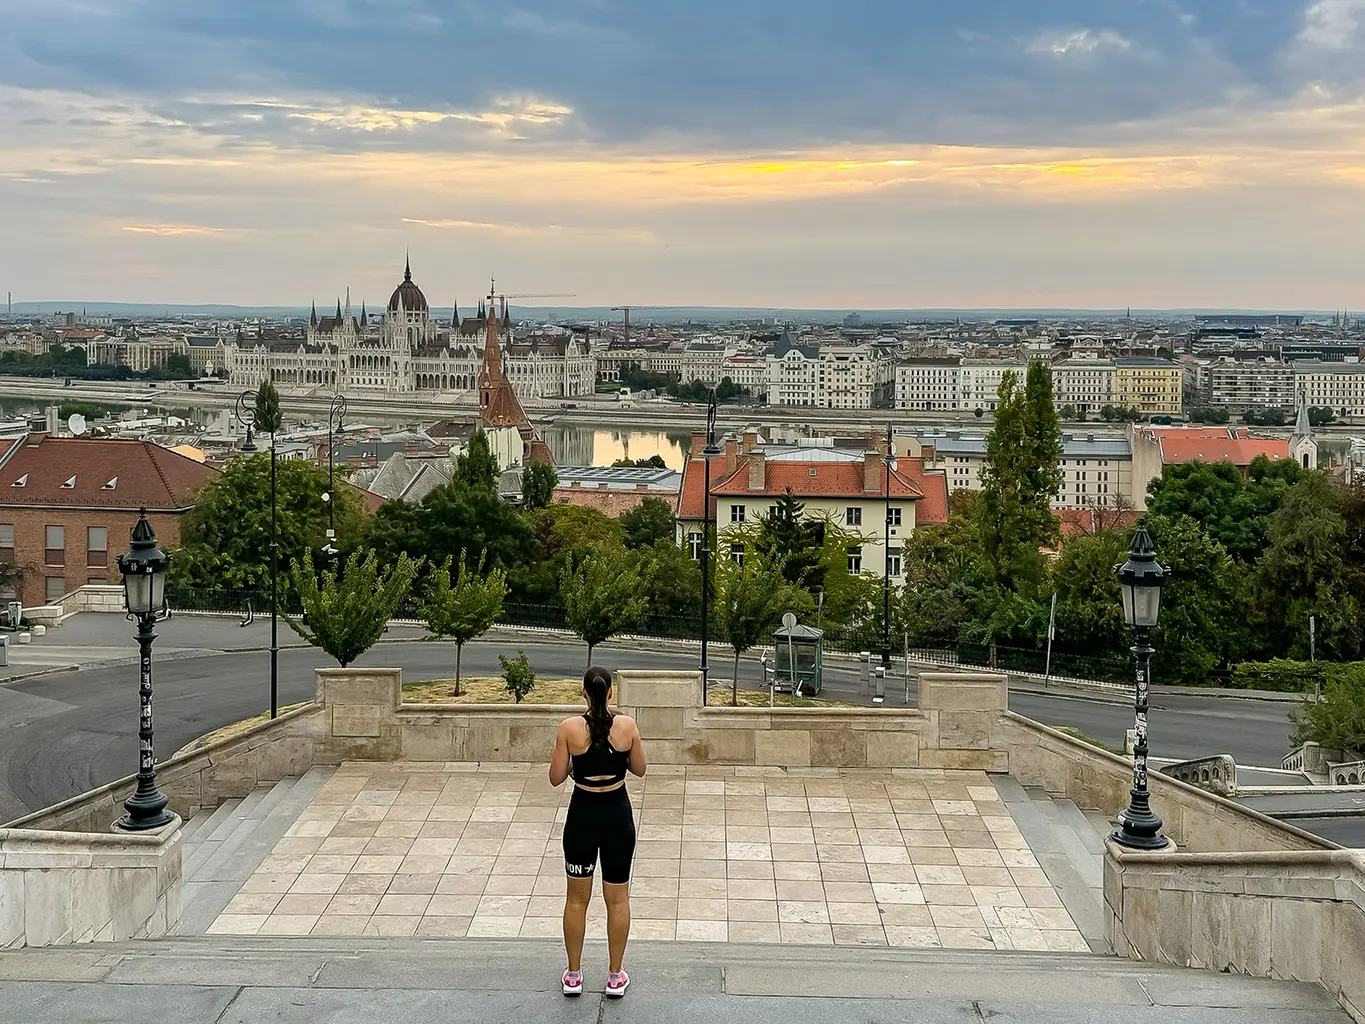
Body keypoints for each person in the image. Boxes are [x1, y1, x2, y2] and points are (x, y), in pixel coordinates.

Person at [549, 666, 646, 998]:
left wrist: (579, 762)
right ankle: (615, 977)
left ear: (584, 693)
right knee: (617, 900)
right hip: (617, 816)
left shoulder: (569, 729)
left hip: (583, 816)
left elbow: (556, 777)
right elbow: (640, 769)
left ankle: (574, 975)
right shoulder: (627, 726)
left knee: (576, 900)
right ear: (610, 693)